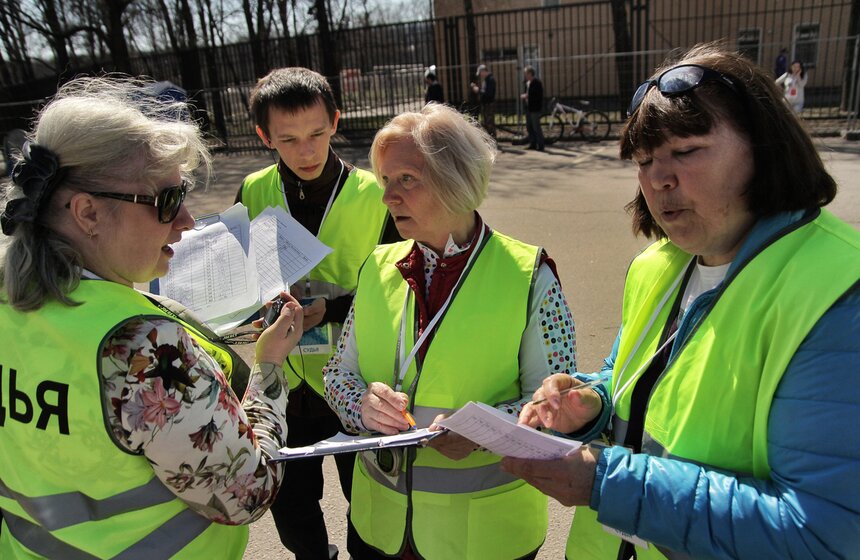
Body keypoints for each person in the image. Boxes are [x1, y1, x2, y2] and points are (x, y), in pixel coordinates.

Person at [502, 43, 860, 559]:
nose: (658, 178)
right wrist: (592, 400)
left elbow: (823, 534)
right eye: (644, 160)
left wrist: (606, 482)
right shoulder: (659, 265)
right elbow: (632, 381)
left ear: (763, 147)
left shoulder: (837, 290)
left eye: (686, 151)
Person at [0, 76, 304, 558]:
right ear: (87, 213)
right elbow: (248, 491)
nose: (186, 220)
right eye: (166, 201)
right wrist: (268, 368)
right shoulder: (143, 346)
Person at [323, 102, 577, 559]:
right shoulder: (376, 266)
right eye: (385, 180)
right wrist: (361, 405)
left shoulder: (529, 276)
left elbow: (557, 407)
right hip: (379, 528)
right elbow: (337, 374)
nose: (387, 197)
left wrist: (483, 431)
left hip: (483, 538)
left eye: (406, 180)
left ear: (456, 180)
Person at [234, 67, 399, 560]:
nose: (306, 151)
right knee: (292, 505)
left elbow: (401, 284)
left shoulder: (375, 193)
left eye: (317, 134)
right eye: (288, 139)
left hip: (354, 378)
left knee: (367, 499)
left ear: (336, 123)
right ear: (264, 136)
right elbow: (239, 275)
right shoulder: (252, 190)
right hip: (285, 383)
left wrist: (332, 308)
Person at [520, 65, 545, 151]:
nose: (525, 75)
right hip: (528, 108)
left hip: (535, 108)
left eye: (526, 73)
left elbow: (537, 95)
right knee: (529, 127)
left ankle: (540, 145)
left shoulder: (537, 83)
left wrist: (527, 96)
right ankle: (533, 143)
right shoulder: (527, 83)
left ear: (530, 73)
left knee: (536, 127)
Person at [470, 63, 497, 137]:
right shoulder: (487, 80)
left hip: (489, 104)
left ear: (483, 71)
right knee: (486, 123)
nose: (480, 75)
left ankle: (492, 139)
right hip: (486, 104)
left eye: (480, 73)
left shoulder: (490, 80)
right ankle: (490, 138)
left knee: (489, 123)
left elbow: (488, 93)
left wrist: (478, 90)